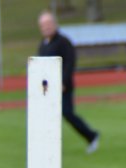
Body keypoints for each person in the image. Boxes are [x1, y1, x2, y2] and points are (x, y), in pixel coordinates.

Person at [37, 10, 100, 154]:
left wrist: (63, 82)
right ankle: (48, 146)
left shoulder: (63, 42)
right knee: (47, 117)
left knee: (67, 113)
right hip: (47, 88)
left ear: (55, 24)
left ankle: (91, 135)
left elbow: (70, 63)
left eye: (48, 24)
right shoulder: (43, 44)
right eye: (43, 25)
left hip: (63, 87)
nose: (46, 27)